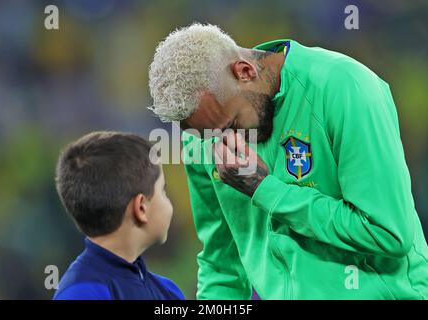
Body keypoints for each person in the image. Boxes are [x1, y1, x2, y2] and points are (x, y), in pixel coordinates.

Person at [148, 23, 428, 299]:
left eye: (231, 124)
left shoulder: (345, 87)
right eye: (209, 136)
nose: (226, 143)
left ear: (244, 71)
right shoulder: (204, 136)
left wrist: (265, 190)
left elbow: (388, 232)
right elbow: (222, 265)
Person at [53, 131, 184, 300]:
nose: (168, 201)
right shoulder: (82, 293)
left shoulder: (168, 292)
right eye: (163, 190)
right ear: (141, 207)